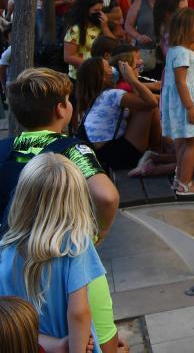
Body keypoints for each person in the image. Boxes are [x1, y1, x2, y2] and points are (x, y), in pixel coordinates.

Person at [5, 68, 124, 353]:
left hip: (16, 267)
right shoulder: (72, 150)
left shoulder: (5, 150)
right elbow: (107, 197)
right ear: (61, 108)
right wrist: (99, 232)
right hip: (69, 266)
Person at [0, 154, 104, 353]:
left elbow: (8, 321)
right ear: (76, 200)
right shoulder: (75, 243)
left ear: (22, 197)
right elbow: (79, 312)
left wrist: (53, 346)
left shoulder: (4, 251)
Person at [75, 57, 162, 173]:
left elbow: (143, 100)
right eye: (108, 67)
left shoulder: (97, 97)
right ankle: (157, 152)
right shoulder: (112, 95)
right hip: (118, 156)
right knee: (148, 109)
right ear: (103, 77)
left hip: (105, 154)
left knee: (140, 108)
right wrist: (132, 80)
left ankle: (156, 151)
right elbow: (151, 102)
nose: (113, 69)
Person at [161, 8, 194, 196]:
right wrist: (191, 107)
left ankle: (180, 179)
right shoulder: (182, 53)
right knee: (193, 143)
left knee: (185, 143)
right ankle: (185, 183)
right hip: (187, 104)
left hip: (184, 103)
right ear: (186, 29)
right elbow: (180, 81)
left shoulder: (180, 50)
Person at [124, 0, 169, 76]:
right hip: (146, 53)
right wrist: (138, 36)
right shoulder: (140, 2)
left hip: (167, 52)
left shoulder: (171, 2)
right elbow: (128, 25)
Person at [63, 0, 114, 80]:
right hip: (81, 77)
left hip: (100, 76)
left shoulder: (100, 26)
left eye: (101, 10)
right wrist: (93, 65)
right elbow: (68, 57)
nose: (100, 14)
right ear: (85, 10)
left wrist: (105, 27)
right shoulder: (75, 30)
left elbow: (113, 44)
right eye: (96, 11)